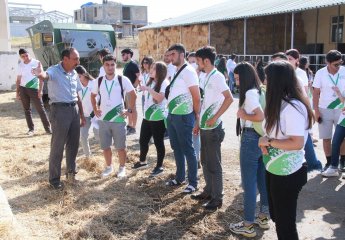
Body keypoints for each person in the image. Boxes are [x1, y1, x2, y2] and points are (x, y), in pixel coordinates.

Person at [259, 61, 312, 240]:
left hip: (288, 172)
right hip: (275, 168)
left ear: (276, 81)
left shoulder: (293, 107)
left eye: (267, 77)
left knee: (285, 225)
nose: (264, 81)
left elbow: (297, 143)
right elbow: (271, 134)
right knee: (277, 217)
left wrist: (270, 142)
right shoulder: (278, 102)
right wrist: (264, 142)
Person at [35, 47, 86, 190]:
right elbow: (45, 76)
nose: (78, 61)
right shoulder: (54, 70)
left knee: (73, 145)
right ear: (65, 59)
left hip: (74, 110)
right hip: (60, 111)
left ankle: (71, 173)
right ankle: (54, 179)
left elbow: (78, 95)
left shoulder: (74, 73)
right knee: (58, 146)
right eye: (75, 58)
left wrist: (81, 115)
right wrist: (40, 74)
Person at [229, 62, 269, 238]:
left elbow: (259, 115)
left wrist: (243, 115)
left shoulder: (250, 93)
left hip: (251, 137)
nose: (236, 82)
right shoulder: (260, 89)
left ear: (244, 77)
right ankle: (263, 216)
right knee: (261, 179)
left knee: (249, 184)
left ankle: (247, 224)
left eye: (238, 78)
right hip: (261, 139)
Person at [191, 46, 232, 210]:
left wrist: (215, 117)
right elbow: (203, 101)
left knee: (214, 163)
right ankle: (208, 191)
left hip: (213, 127)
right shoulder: (205, 76)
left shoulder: (217, 77)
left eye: (198, 61)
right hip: (204, 126)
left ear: (205, 61)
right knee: (205, 161)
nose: (196, 64)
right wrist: (197, 122)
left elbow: (229, 99)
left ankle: (217, 198)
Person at [91, 54, 136, 178]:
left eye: (112, 65)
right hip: (103, 119)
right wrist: (95, 109)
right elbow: (92, 95)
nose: (110, 67)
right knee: (105, 146)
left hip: (118, 119)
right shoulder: (99, 80)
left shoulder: (122, 79)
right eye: (107, 65)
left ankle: (122, 168)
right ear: (103, 66)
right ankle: (109, 167)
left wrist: (129, 110)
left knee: (121, 147)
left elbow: (133, 94)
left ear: (116, 65)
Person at [165, 43, 201, 194]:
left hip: (184, 116)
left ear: (181, 55)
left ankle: (193, 182)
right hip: (173, 115)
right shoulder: (176, 70)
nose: (170, 57)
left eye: (173, 54)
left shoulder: (189, 72)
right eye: (169, 54)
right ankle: (180, 178)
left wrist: (197, 118)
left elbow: (196, 96)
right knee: (176, 147)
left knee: (187, 148)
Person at [132, 61, 169, 177]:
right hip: (147, 117)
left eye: (153, 68)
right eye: (151, 67)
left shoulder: (164, 83)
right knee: (143, 140)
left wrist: (148, 89)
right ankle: (142, 162)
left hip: (158, 118)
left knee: (158, 143)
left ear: (160, 71)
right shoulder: (150, 80)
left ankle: (159, 166)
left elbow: (159, 98)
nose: (151, 70)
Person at [313, 50, 345, 171]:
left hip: (341, 109)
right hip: (324, 109)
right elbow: (316, 93)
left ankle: (343, 161)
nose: (338, 67)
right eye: (335, 64)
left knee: (342, 138)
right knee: (326, 137)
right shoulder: (320, 73)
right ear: (327, 62)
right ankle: (329, 162)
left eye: (340, 63)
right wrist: (316, 111)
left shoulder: (344, 71)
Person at [16, 48, 51, 136]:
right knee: (27, 110)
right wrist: (17, 92)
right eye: (23, 56)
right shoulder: (20, 65)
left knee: (41, 109)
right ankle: (31, 129)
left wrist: (40, 90)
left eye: (26, 55)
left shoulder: (36, 62)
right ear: (20, 57)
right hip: (23, 89)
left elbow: (41, 77)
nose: (25, 57)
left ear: (29, 54)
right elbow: (18, 79)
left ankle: (48, 128)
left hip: (34, 89)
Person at [75, 65, 99, 157]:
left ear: (84, 74)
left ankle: (107, 149)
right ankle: (88, 157)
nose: (78, 79)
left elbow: (99, 97)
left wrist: (96, 107)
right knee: (83, 136)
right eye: (76, 77)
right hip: (84, 115)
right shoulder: (76, 85)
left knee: (97, 136)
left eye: (79, 76)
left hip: (95, 114)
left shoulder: (93, 83)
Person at [322, 86, 345, 177]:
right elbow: (343, 101)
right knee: (335, 142)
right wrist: (338, 93)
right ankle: (333, 167)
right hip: (343, 120)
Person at [121, 48, 140, 135]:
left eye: (123, 54)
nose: (122, 56)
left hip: (131, 90)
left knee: (133, 108)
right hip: (127, 90)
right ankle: (130, 125)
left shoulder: (133, 64)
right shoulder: (127, 64)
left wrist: (134, 87)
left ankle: (134, 127)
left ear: (129, 54)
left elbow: (139, 76)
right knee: (129, 107)